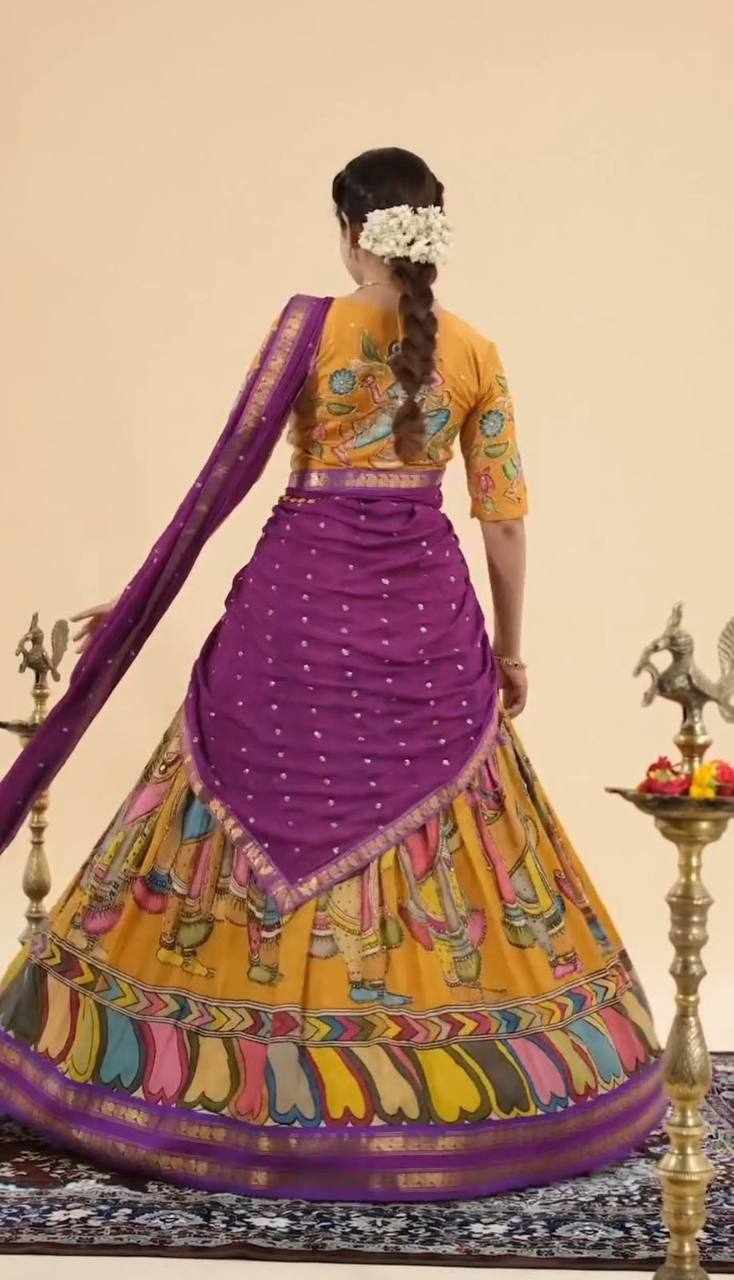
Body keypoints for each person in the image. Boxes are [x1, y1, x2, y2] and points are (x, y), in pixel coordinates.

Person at [0, 147, 665, 1202]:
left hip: (294, 611)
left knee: (256, 798)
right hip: (421, 619)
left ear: (350, 231)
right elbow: (502, 520)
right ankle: (440, 1090)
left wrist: (137, 596)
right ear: (433, 230)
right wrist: (511, 649)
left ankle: (206, 1081)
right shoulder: (477, 351)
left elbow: (221, 477)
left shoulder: (305, 330)